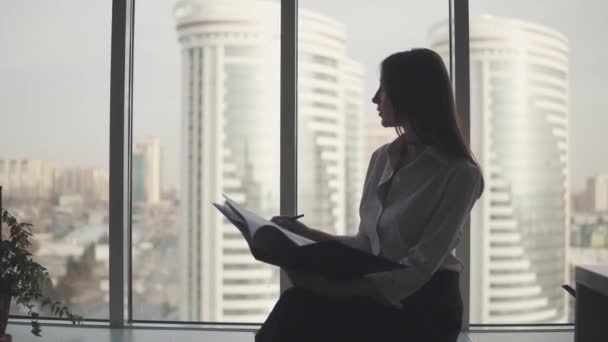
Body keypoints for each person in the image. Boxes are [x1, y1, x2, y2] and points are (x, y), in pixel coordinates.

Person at [255, 48, 484, 342]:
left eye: (384, 90)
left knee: (299, 308)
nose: (375, 99)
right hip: (375, 288)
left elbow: (420, 266)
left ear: (410, 95)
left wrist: (333, 290)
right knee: (297, 304)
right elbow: (366, 243)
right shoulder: (381, 158)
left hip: (425, 305)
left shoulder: (459, 173)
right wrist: (305, 233)